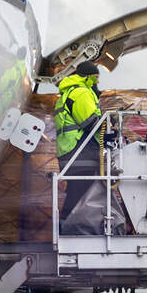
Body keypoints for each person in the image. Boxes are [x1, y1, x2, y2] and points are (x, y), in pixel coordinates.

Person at [54, 61, 104, 231]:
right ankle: (68, 227)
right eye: (95, 78)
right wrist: (109, 122)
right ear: (88, 76)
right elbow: (90, 122)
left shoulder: (69, 92)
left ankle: (67, 225)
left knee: (77, 191)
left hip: (71, 151)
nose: (97, 82)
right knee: (81, 193)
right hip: (79, 151)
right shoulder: (81, 92)